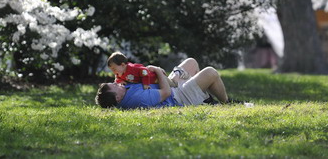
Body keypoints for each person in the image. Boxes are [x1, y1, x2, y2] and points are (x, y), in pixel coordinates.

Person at [96, 57, 231, 109]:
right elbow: (166, 93)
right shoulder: (137, 99)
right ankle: (227, 102)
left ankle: (204, 97)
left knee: (191, 62)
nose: (115, 82)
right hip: (178, 97)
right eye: (113, 86)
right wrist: (157, 70)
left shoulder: (124, 90)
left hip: (173, 87)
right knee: (210, 72)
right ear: (117, 98)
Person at [107, 51, 182, 89]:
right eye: (111, 69)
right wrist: (121, 81)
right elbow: (117, 79)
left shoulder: (132, 68)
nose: (113, 71)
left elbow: (144, 71)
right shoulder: (119, 73)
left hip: (156, 77)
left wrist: (145, 84)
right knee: (167, 88)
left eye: (114, 68)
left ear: (123, 65)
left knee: (173, 85)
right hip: (154, 84)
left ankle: (179, 74)